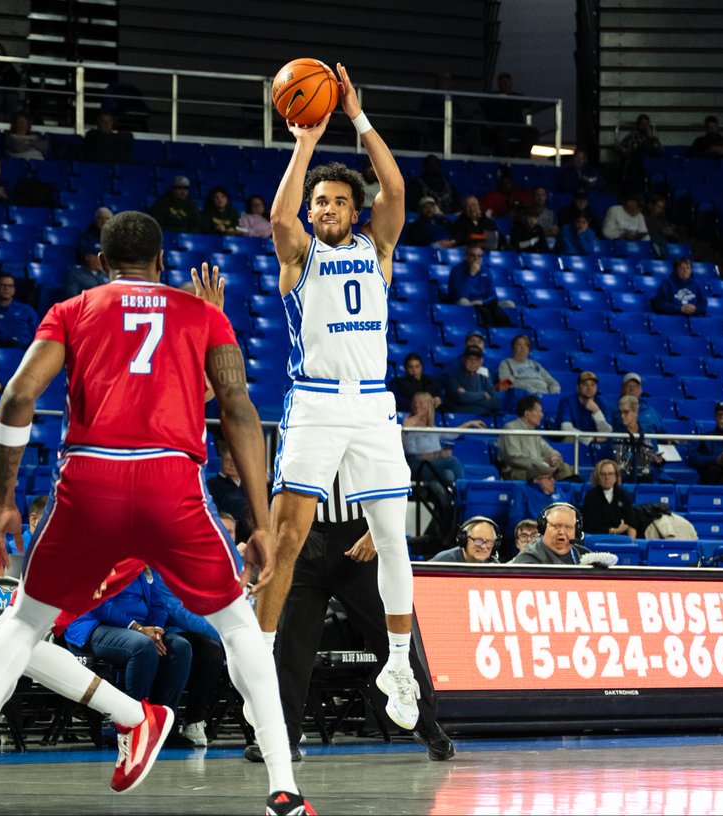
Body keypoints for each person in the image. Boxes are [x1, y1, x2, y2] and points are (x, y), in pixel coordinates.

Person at [0, 212, 309, 815]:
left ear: (100, 260)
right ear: (162, 260)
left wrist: (7, 498)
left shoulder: (72, 310)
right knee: (238, 626)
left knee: (20, 623)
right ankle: (284, 790)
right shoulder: (202, 314)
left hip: (90, 482)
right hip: (170, 482)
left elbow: (17, 397)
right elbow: (238, 410)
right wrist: (261, 524)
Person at [259, 64, 421, 745]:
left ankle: (399, 668)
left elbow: (396, 189)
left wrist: (357, 116)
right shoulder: (299, 257)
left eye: (337, 202)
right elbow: (278, 217)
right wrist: (304, 142)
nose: (326, 209)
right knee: (288, 537)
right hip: (317, 403)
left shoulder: (378, 247)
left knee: (392, 539)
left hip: (374, 406)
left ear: (355, 212)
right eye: (319, 202)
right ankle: (260, 663)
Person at [249, 478, 455, 762]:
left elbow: (392, 477)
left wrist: (375, 533)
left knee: (390, 639)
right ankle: (283, 737)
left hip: (359, 538)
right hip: (305, 537)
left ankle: (429, 727)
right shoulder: (295, 446)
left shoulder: (368, 444)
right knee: (292, 644)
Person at [62, 565, 194, 727]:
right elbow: (99, 602)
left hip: (139, 630)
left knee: (180, 648)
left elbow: (158, 604)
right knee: (142, 646)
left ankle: (161, 726)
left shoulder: (144, 562)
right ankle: (130, 724)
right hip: (94, 625)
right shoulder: (99, 556)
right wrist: (137, 628)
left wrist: (156, 632)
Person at [403, 391, 478, 528]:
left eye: (422, 403)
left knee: (446, 476)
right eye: (416, 403)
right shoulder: (409, 425)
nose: (417, 406)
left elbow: (452, 434)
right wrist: (437, 454)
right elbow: (410, 453)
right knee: (452, 461)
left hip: (433, 470)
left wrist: (469, 423)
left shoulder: (432, 428)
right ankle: (465, 495)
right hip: (417, 467)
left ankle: (447, 523)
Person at [498, 395, 573, 481]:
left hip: (538, 468)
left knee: (565, 468)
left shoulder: (535, 433)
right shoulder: (510, 428)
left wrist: (554, 456)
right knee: (540, 472)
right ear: (527, 414)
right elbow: (514, 459)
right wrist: (542, 461)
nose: (541, 415)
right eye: (539, 411)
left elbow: (548, 450)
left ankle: (560, 490)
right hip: (517, 471)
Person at [511, 503, 592, 564]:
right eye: (556, 526)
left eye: (568, 527)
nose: (562, 532)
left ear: (576, 531)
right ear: (543, 528)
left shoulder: (584, 555)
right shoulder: (528, 558)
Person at [611, 395, 665, 483]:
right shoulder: (615, 434)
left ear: (635, 412)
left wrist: (655, 458)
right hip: (621, 480)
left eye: (626, 412)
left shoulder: (648, 432)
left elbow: (653, 453)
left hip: (646, 479)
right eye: (620, 412)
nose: (622, 416)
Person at [580, 458, 638, 539]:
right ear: (597, 477)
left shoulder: (623, 495)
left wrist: (631, 543)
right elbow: (589, 525)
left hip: (620, 540)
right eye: (603, 474)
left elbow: (631, 522)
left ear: (616, 476)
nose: (607, 477)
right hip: (597, 539)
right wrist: (614, 530)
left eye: (610, 474)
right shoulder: (591, 496)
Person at [690, 401, 723, 484]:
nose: (722, 417)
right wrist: (715, 459)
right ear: (715, 418)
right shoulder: (706, 437)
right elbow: (693, 456)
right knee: (714, 470)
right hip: (715, 474)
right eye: (719, 414)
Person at [556, 371, 613, 445]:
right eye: (585, 384)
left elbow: (607, 432)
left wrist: (596, 411)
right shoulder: (567, 402)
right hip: (574, 444)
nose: (589, 388)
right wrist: (591, 439)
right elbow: (566, 428)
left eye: (592, 385)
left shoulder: (601, 403)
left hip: (596, 446)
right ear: (578, 387)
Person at [440, 345, 498, 415]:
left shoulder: (484, 379)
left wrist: (468, 396)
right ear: (464, 360)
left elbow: (495, 403)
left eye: (477, 359)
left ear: (481, 362)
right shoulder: (453, 376)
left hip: (482, 417)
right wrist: (483, 395)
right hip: (460, 417)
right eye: (470, 359)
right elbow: (461, 398)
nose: (473, 362)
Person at [0, 273, 38, 348]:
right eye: (3, 285)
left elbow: (38, 333)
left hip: (25, 349)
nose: (6, 288)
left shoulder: (26, 309)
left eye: (10, 286)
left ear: (14, 289)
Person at [206, 442, 249, 534]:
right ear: (221, 461)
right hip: (228, 527)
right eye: (227, 460)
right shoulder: (213, 483)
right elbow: (214, 510)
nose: (232, 465)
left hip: (249, 526)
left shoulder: (248, 484)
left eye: (235, 461)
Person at [430, 516, 499, 563]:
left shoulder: (494, 565)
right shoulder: (443, 561)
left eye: (489, 542)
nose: (483, 546)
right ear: (464, 540)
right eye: (478, 540)